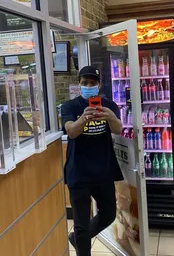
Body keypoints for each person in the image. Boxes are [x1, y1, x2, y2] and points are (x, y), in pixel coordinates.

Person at [61, 65, 123, 256]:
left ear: (99, 85)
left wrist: (111, 116)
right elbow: (71, 131)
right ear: (79, 85)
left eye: (93, 83)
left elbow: (118, 129)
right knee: (80, 224)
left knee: (109, 214)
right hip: (78, 173)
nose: (89, 86)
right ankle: (81, 243)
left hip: (103, 170)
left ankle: (79, 239)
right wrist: (83, 119)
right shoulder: (69, 106)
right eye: (85, 83)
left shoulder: (109, 105)